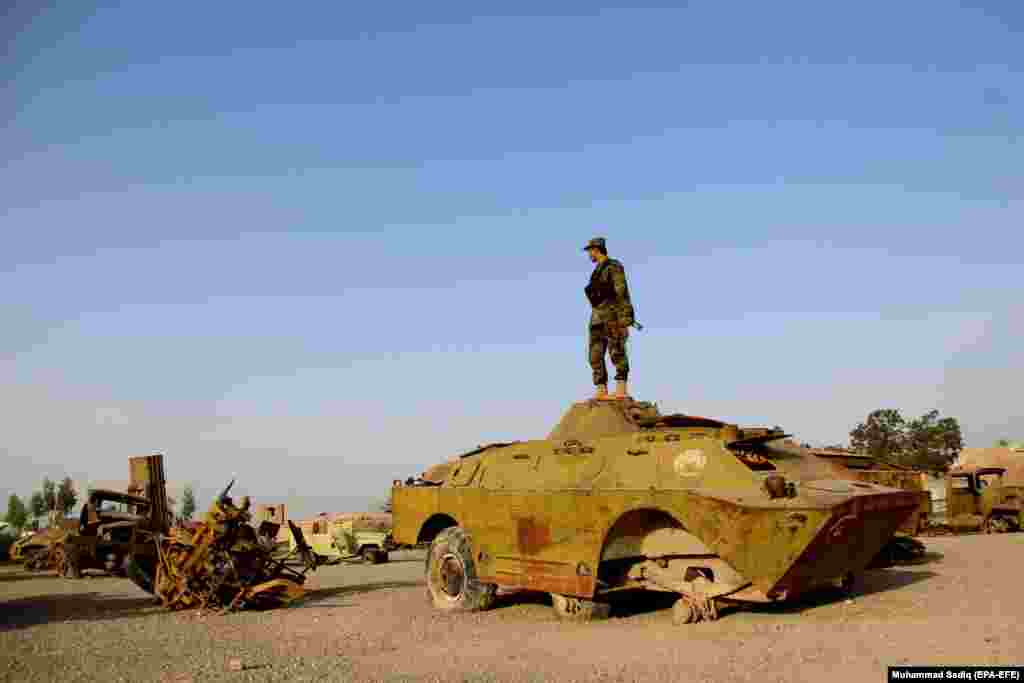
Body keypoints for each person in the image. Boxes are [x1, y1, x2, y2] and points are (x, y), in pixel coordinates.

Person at [582, 237, 636, 400]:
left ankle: (621, 388)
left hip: (613, 315)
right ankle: (601, 388)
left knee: (616, 350)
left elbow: (622, 291)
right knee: (595, 355)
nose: (589, 255)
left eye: (590, 251)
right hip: (597, 317)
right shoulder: (596, 272)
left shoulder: (613, 266)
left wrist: (626, 315)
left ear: (596, 250)